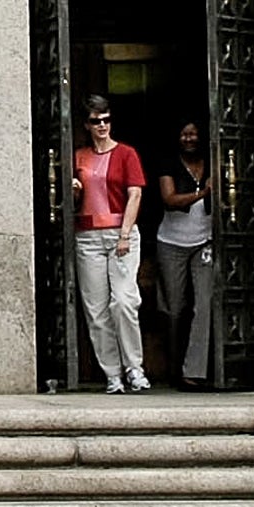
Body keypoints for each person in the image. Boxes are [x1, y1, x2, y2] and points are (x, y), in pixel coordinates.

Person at [70, 94, 149, 393]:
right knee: (96, 309)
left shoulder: (127, 153)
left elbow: (135, 194)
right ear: (87, 125)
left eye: (106, 119)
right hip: (88, 235)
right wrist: (74, 190)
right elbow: (71, 200)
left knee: (124, 302)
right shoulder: (79, 156)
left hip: (120, 232)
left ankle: (134, 368)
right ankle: (112, 374)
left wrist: (125, 234)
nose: (102, 125)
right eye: (96, 121)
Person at [152, 120, 216, 390]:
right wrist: (204, 193)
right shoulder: (168, 163)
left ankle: (194, 372)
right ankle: (172, 368)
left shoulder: (213, 161)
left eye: (194, 133)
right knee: (174, 308)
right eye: (184, 134)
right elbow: (169, 199)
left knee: (204, 303)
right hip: (171, 242)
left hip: (205, 241)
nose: (190, 138)